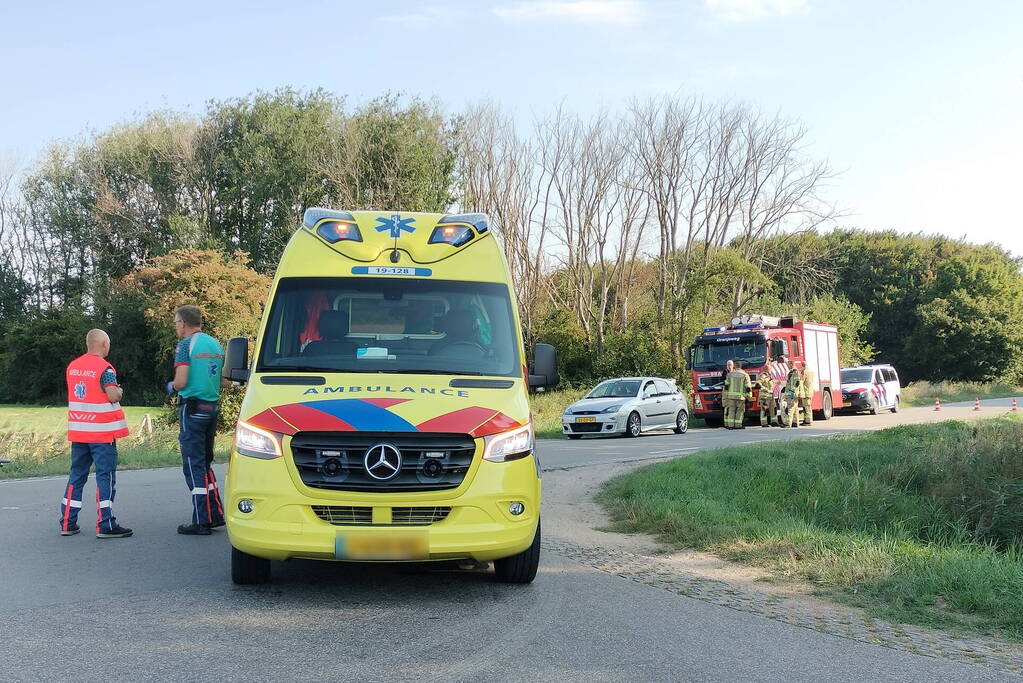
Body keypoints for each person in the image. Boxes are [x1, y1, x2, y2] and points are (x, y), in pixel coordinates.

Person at [59, 329, 133, 538]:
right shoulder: (105, 368)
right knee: (105, 476)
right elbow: (112, 394)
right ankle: (106, 523)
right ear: (103, 344)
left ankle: (67, 522)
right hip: (101, 433)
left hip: (79, 431)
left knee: (77, 475)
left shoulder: (73, 367)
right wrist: (119, 391)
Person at [168, 305, 229, 535]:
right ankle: (214, 514)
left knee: (192, 466)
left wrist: (171, 386)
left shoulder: (185, 346)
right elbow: (223, 380)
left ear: (183, 323)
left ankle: (201, 520)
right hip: (211, 409)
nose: (176, 326)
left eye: (176, 322)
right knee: (204, 463)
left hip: (192, 408)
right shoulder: (215, 344)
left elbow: (181, 382)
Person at [723, 360, 752, 430]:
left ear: (734, 366)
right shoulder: (745, 375)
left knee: (731, 410)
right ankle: (738, 425)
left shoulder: (730, 374)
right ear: (741, 366)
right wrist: (749, 396)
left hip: (731, 397)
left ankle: (730, 426)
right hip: (740, 397)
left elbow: (726, 385)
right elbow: (748, 387)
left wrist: (726, 395)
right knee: (740, 411)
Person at [797, 361, 815, 426]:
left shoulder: (804, 372)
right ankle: (808, 420)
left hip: (806, 392)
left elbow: (802, 381)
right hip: (810, 391)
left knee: (806, 407)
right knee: (809, 407)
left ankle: (808, 421)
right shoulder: (811, 371)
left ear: (802, 365)